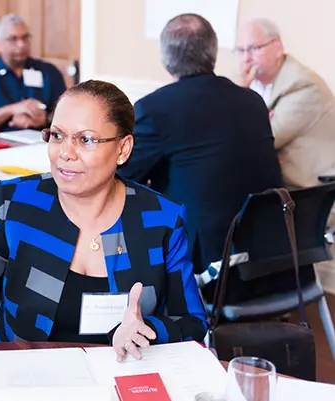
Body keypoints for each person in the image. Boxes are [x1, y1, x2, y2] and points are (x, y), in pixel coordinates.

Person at [0, 80, 207, 360]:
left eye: (86, 140)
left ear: (123, 148)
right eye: (57, 135)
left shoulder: (159, 219)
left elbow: (191, 322)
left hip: (119, 377)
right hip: (23, 379)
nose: (65, 153)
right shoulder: (18, 204)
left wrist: (150, 331)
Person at [118, 14, 283, 274]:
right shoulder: (252, 101)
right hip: (268, 257)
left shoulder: (156, 109)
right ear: (214, 52)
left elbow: (121, 173)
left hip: (206, 264)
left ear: (164, 59)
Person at [235, 18, 335, 189]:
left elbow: (264, 139)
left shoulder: (303, 85)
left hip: (308, 191)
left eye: (254, 48)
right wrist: (240, 94)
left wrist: (243, 106)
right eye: (240, 50)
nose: (246, 58)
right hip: (276, 187)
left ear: (278, 47)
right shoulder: (249, 81)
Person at [0, 14, 66, 133]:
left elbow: (67, 115)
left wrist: (44, 121)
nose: (21, 45)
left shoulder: (48, 72)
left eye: (25, 38)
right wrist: (12, 110)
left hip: (41, 143)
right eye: (13, 39)